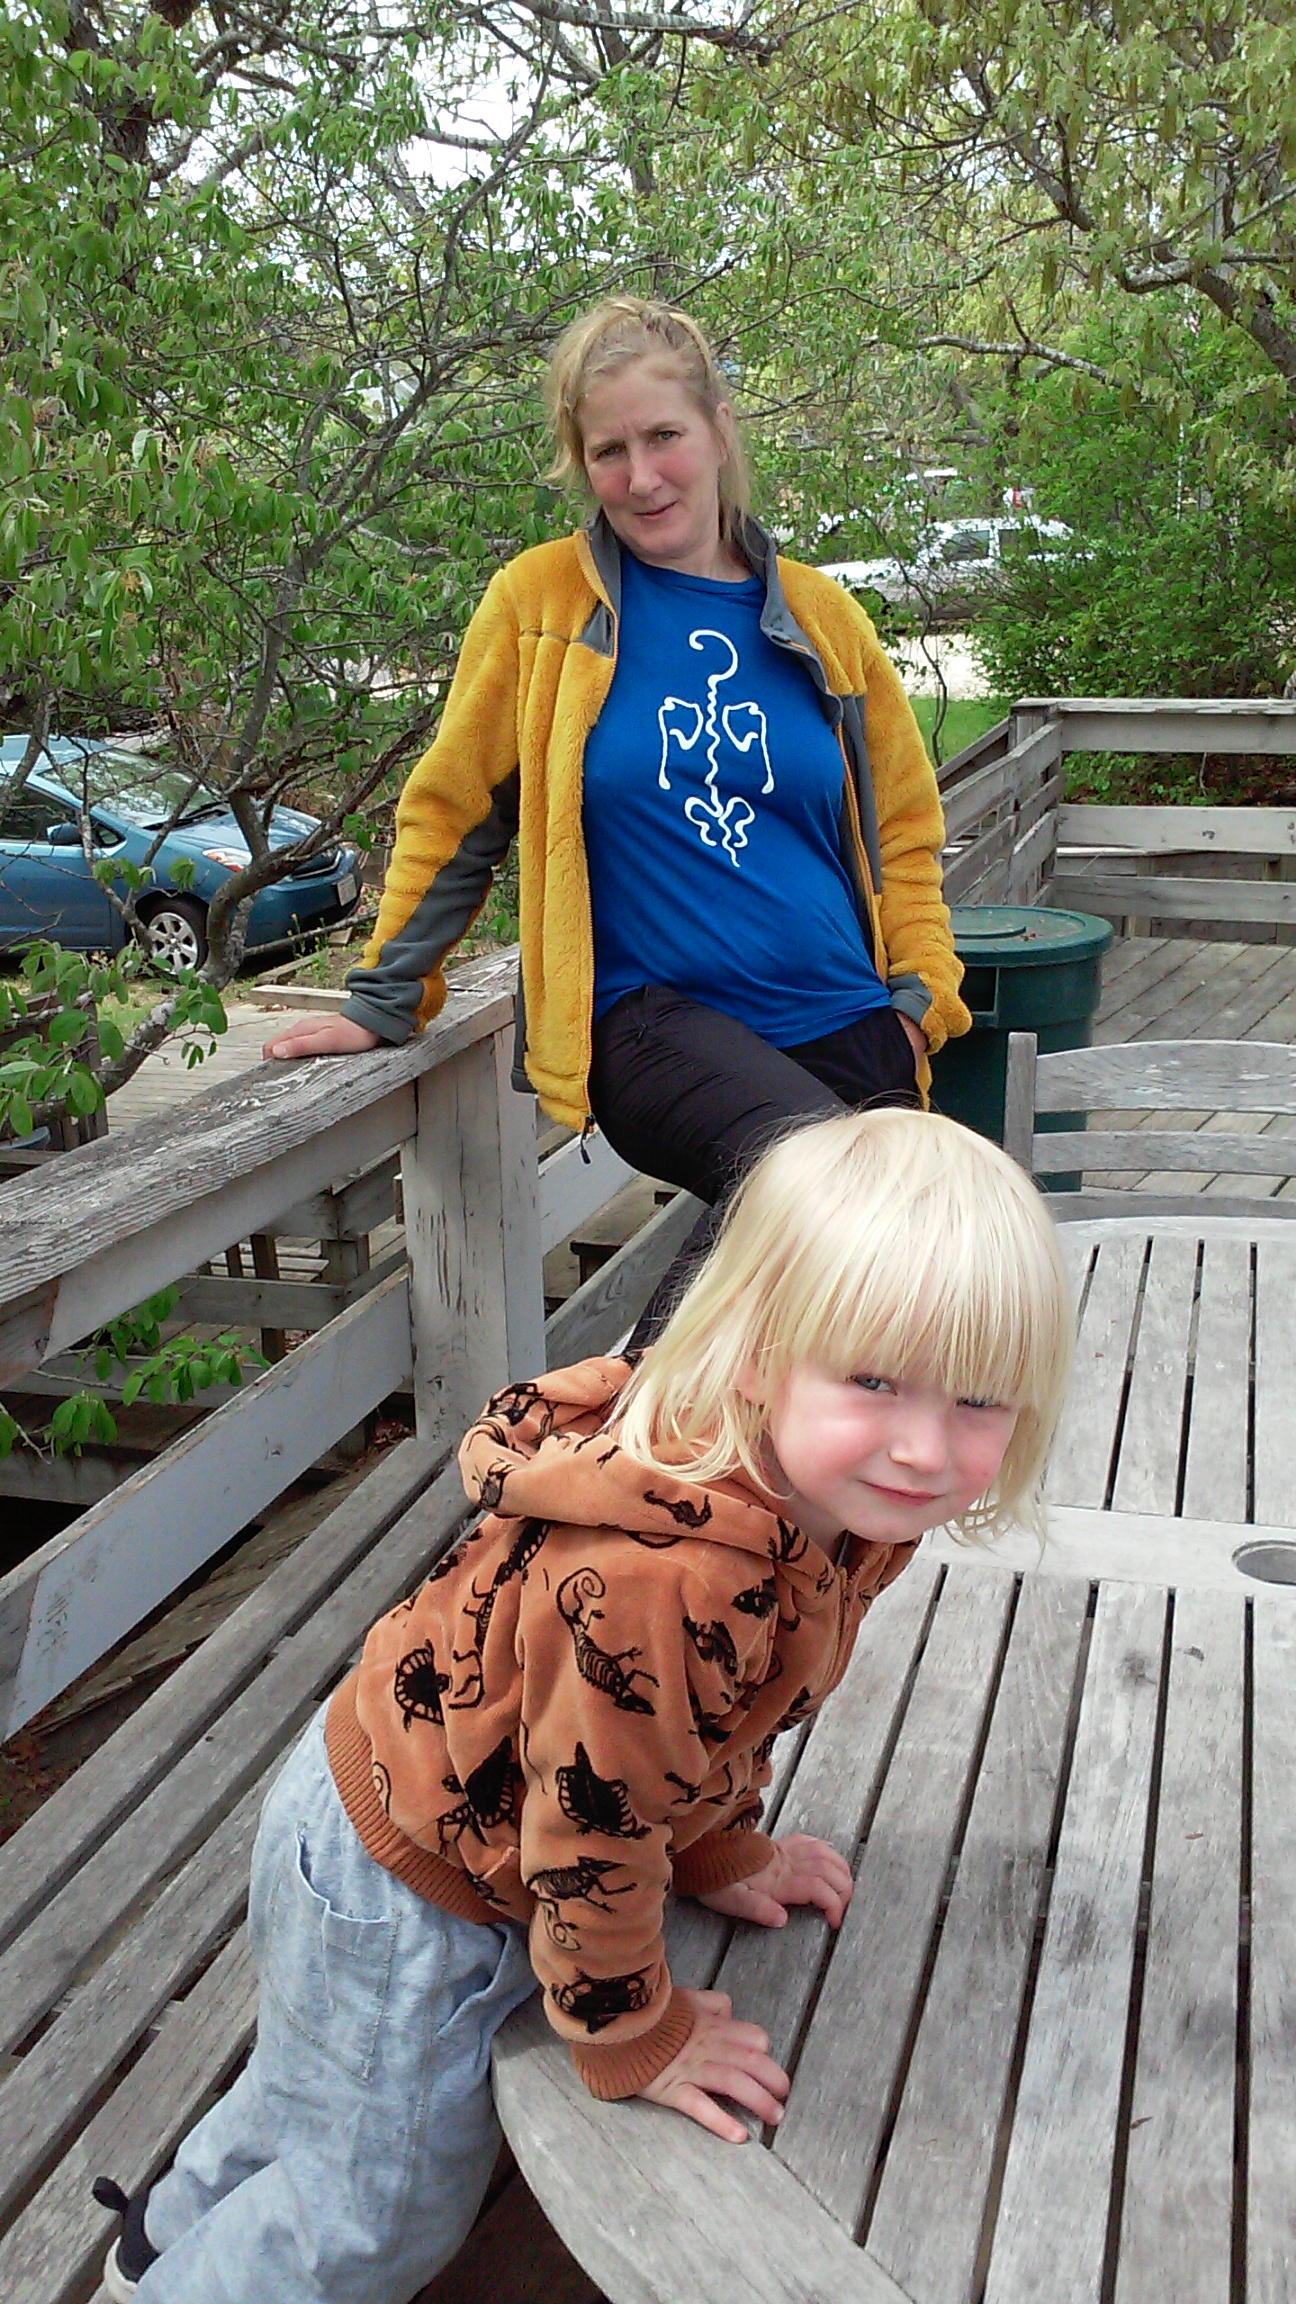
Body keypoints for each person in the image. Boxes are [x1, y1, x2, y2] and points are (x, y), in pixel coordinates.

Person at [97, 1107, 1072, 2303]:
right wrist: (632, 2034)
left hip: (415, 1791)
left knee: (324, 2094)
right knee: (374, 2210)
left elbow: (710, 1723)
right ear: (757, 1355)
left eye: (980, 1399)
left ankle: (160, 2247)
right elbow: (593, 1830)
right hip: (412, 1878)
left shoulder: (839, 1498)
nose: (925, 1447)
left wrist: (712, 1847)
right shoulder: (663, 1579)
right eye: (873, 1380)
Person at [263, 299, 971, 1308]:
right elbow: (456, 813)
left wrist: (916, 1004)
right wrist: (386, 1000)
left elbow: (903, 831)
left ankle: (647, 1413)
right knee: (811, 1183)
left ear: (719, 429)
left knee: (875, 1306)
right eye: (609, 451)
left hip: (846, 1018)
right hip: (652, 1021)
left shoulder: (823, 619)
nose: (641, 478)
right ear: (582, 463)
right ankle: (630, 1411)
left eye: (664, 436)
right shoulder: (542, 605)